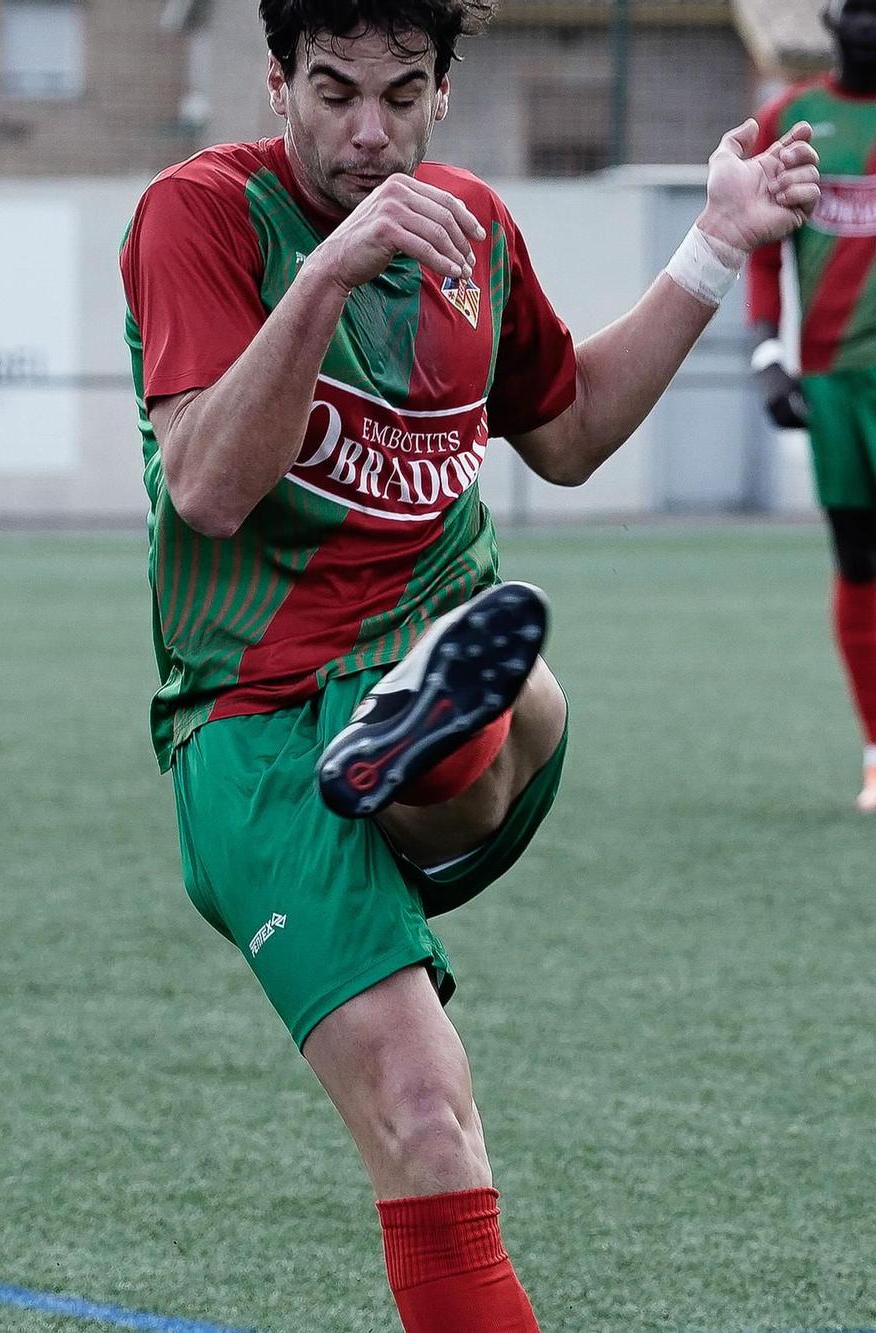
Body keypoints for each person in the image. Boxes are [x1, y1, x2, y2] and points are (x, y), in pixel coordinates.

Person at [120, 1, 818, 1327]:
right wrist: (328, 272)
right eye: (332, 92)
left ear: (444, 92)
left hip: (437, 653)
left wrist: (719, 239)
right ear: (279, 84)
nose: (366, 132)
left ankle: (428, 723)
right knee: (429, 1122)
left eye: (400, 94)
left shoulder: (476, 231)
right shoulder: (199, 215)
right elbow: (206, 489)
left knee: (519, 694)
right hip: (255, 723)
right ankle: (421, 729)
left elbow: (565, 435)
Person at [748, 0, 876, 812]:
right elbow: (764, 246)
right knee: (859, 562)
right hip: (830, 380)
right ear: (833, 18)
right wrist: (766, 353)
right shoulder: (790, 119)